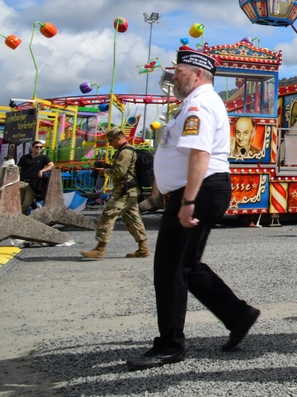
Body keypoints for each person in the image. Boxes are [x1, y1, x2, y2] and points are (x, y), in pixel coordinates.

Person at [126, 48, 259, 370]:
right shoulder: (196, 102)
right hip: (200, 189)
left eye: (180, 71)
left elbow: (199, 154)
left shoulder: (199, 103)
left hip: (198, 191)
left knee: (170, 269)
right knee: (186, 264)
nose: (175, 76)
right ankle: (238, 315)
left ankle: (170, 345)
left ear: (197, 74)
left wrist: (186, 201)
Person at [79, 126, 149, 260]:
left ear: (118, 138)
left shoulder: (125, 152)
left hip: (125, 189)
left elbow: (119, 172)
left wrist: (104, 172)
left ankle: (100, 248)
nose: (110, 144)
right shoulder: (123, 151)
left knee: (108, 214)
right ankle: (143, 247)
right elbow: (120, 169)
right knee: (132, 218)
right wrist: (107, 166)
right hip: (129, 189)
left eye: (111, 141)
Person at [18, 140, 53, 214]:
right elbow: (18, 168)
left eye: (41, 147)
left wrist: (42, 171)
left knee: (27, 203)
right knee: (19, 203)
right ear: (32, 148)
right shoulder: (25, 157)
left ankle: (20, 217)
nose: (39, 149)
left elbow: (51, 165)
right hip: (21, 182)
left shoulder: (43, 157)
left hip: (32, 184)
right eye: (37, 147)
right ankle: (22, 218)